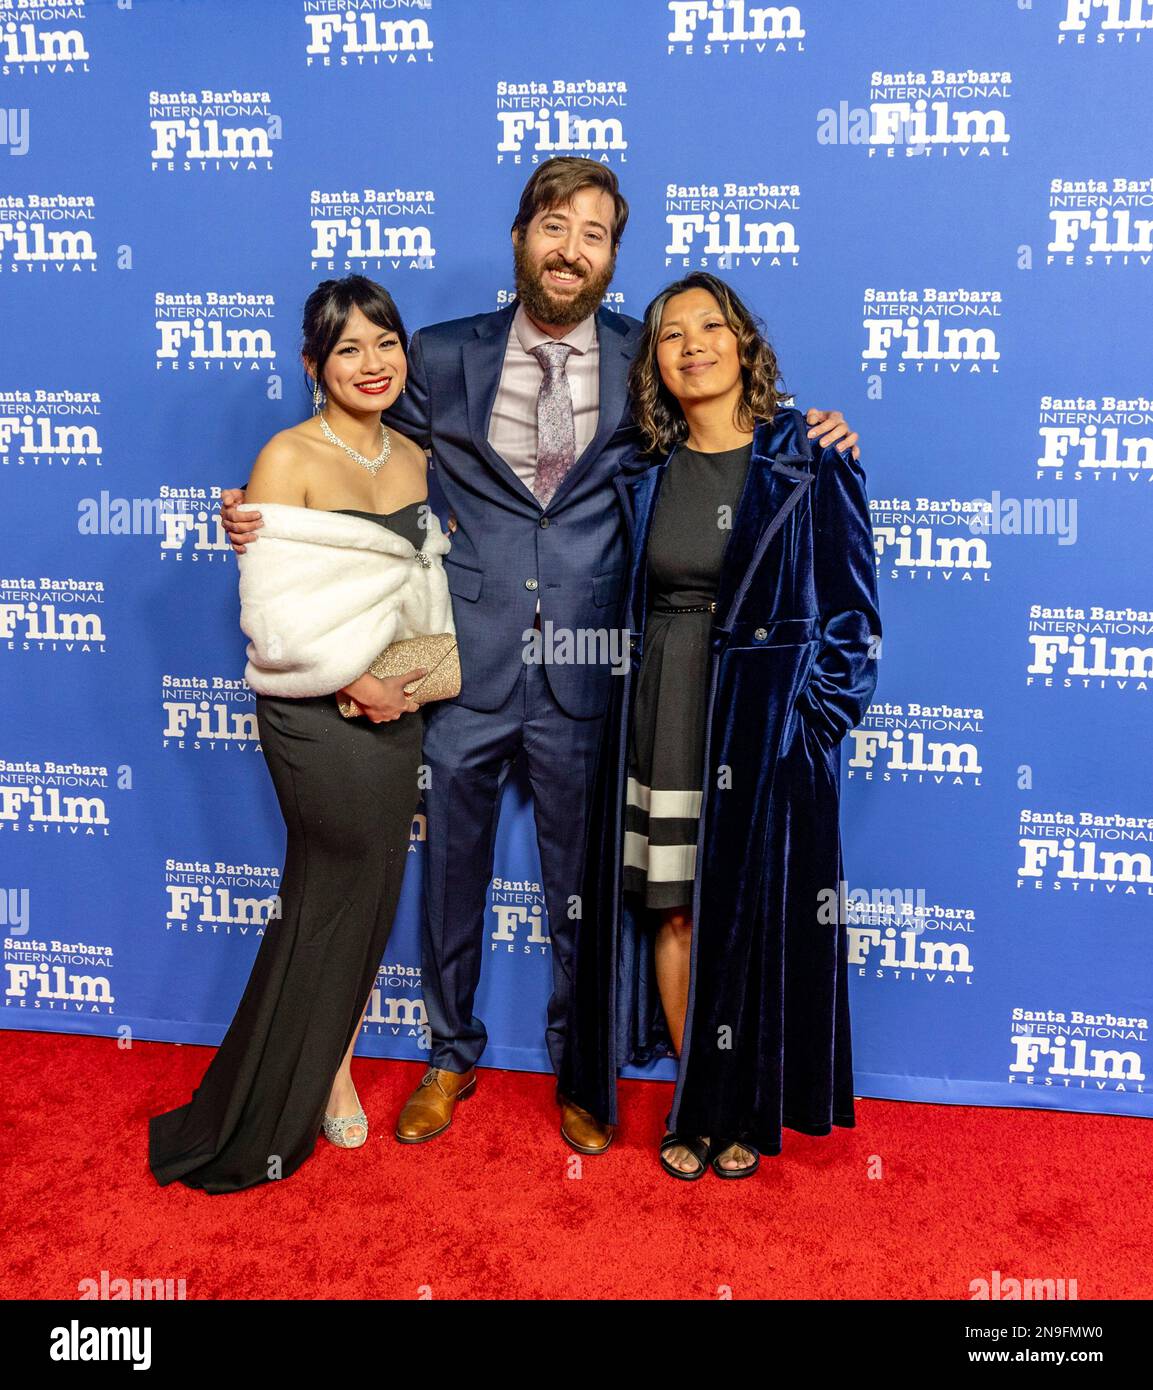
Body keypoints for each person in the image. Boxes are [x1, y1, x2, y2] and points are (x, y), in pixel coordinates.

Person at [219, 160, 859, 1157]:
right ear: (521, 235)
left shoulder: (644, 353)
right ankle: (448, 1054)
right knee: (450, 878)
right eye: (555, 225)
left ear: (612, 257)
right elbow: (360, 439)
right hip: (461, 662)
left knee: (587, 890)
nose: (571, 248)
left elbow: (719, 422)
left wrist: (813, 431)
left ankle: (578, 1071)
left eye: (595, 234)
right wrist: (272, 519)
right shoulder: (435, 354)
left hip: (595, 670)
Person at [559, 273, 881, 1180]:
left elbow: (853, 622)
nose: (692, 343)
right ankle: (697, 1099)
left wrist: (805, 730)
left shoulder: (808, 457)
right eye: (670, 334)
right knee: (675, 914)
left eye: (711, 326)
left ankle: (744, 1103)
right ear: (653, 364)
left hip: (762, 729)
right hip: (664, 706)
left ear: (744, 344)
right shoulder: (642, 475)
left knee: (752, 914)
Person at [149, 276, 453, 1193]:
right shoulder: (287, 457)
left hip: (393, 709)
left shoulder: (415, 455)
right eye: (348, 348)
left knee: (361, 898)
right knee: (331, 891)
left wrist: (400, 683)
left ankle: (330, 1062)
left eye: (385, 342)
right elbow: (275, 618)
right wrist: (353, 680)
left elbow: (414, 593)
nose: (372, 363)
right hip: (316, 714)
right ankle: (318, 1075)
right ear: (313, 365)